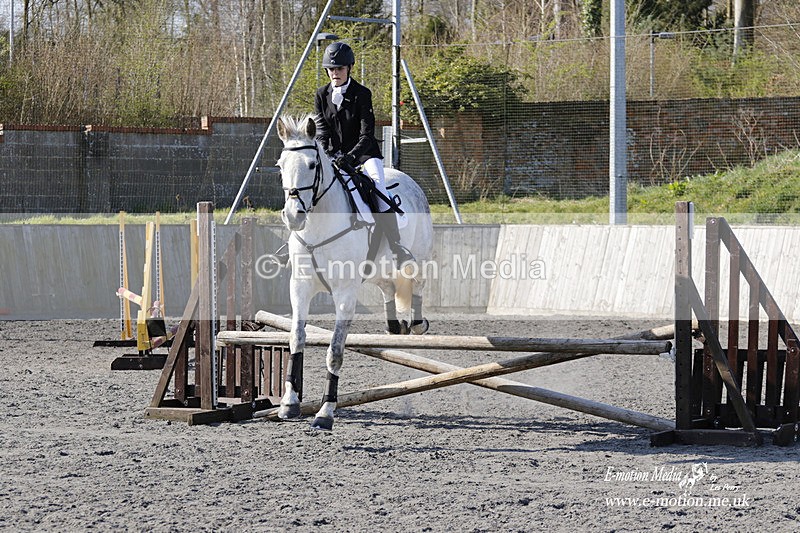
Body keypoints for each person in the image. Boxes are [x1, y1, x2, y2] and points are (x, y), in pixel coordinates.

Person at [313, 41, 414, 268]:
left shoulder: (362, 94)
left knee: (378, 186)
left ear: (348, 68)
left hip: (364, 155)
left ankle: (397, 246)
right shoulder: (321, 95)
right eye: (331, 69)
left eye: (339, 68)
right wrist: (327, 154)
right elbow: (321, 132)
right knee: (312, 185)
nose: (334, 73)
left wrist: (349, 156)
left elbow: (367, 134)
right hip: (334, 156)